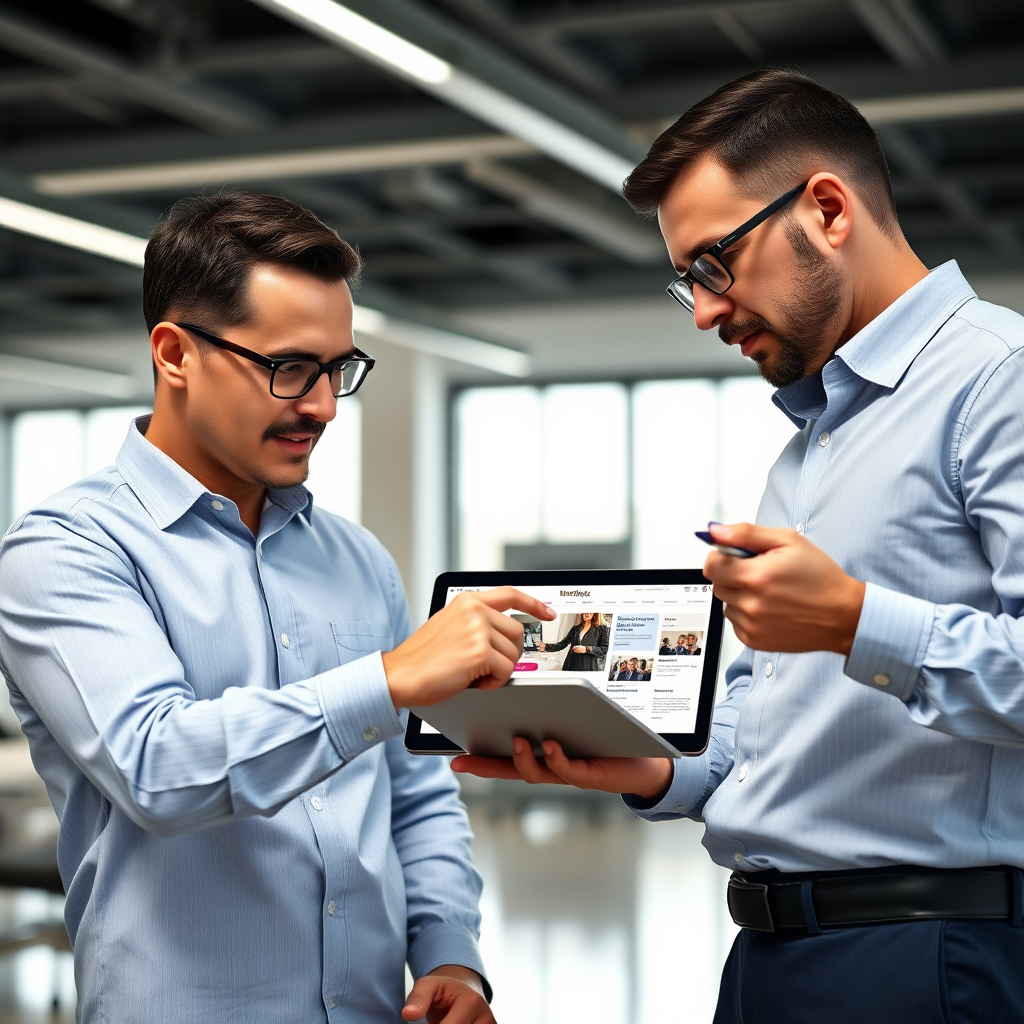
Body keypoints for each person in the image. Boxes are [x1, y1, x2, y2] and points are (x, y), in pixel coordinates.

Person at [453, 69, 1024, 1023]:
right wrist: (651, 768)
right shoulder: (811, 446)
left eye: (714, 264)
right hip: (769, 956)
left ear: (828, 210)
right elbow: (770, 721)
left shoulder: (998, 383)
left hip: (924, 957)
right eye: (689, 281)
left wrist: (855, 621)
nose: (705, 311)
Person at [0, 191, 556, 1024]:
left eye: (338, 370)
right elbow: (157, 767)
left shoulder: (358, 559)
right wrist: (389, 679)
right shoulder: (65, 550)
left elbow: (414, 794)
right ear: (175, 353)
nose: (324, 405)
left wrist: (450, 953)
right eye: (289, 368)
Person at [536, 611, 609, 671]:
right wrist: (546, 647)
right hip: (572, 666)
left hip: (590, 669)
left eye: (590, 611)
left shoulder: (603, 629)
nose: (586, 614)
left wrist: (587, 649)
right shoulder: (576, 628)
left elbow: (605, 650)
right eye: (584, 611)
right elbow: (563, 643)